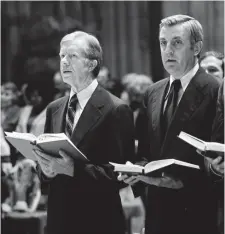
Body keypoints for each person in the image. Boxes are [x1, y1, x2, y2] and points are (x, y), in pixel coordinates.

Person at [120, 15, 220, 234]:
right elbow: (144, 151)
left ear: (196, 48)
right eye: (163, 43)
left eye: (177, 42)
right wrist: (135, 172)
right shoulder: (153, 92)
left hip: (198, 213)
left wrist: (184, 181)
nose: (168, 50)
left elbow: (219, 161)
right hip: (157, 212)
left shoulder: (215, 91)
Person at [33, 31, 135, 234]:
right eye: (62, 56)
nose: (64, 62)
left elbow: (121, 174)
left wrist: (74, 169)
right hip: (58, 220)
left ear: (91, 64)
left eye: (72, 56)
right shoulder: (54, 107)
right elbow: (46, 161)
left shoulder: (116, 108)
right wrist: (45, 170)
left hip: (97, 221)